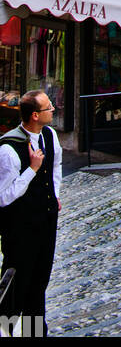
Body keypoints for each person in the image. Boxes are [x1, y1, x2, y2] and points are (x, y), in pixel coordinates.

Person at [0, 90, 62, 334]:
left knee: (38, 285)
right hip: (20, 228)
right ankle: (5, 331)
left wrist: (55, 194)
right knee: (17, 285)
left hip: (45, 222)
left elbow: (56, 166)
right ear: (35, 115)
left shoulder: (50, 135)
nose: (54, 110)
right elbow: (3, 197)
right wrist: (32, 170)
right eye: (49, 108)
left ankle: (34, 333)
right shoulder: (9, 149)